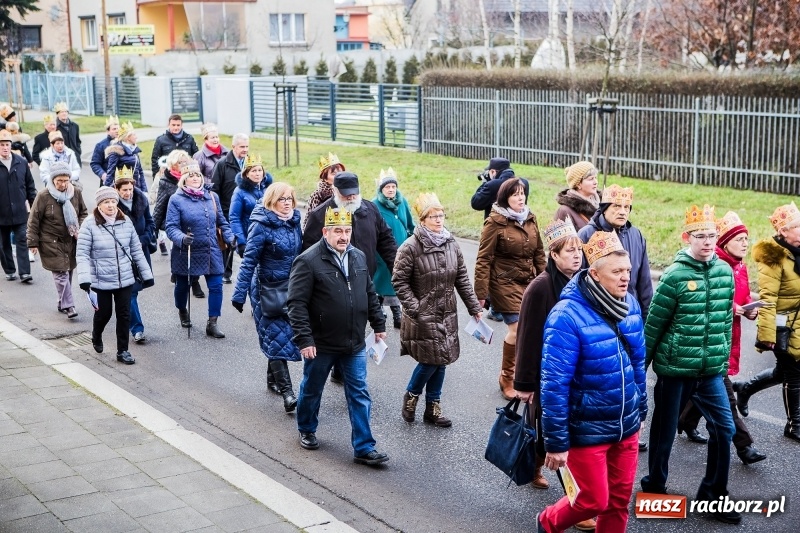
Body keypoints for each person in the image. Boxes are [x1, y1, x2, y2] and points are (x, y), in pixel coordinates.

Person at [536, 231, 647, 533]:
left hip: (625, 425)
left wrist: (641, 408)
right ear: (595, 275)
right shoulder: (566, 316)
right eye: (617, 272)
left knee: (619, 502)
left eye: (627, 271)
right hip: (587, 428)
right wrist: (556, 442)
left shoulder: (631, 305)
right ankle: (546, 523)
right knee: (592, 501)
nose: (625, 278)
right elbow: (554, 384)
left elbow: (637, 363)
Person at [641, 204, 739, 524]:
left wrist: (722, 360)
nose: (708, 242)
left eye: (713, 236)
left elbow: (725, 321)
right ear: (688, 237)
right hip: (675, 369)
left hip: (710, 371)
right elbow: (653, 325)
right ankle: (654, 488)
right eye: (701, 236)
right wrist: (638, 368)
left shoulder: (725, 272)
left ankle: (713, 494)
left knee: (724, 428)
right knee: (664, 431)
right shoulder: (674, 275)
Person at [287, 206, 389, 465]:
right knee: (312, 389)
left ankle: (364, 447)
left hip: (354, 341)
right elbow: (296, 304)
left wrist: (378, 324)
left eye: (347, 231)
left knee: (359, 393)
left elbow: (369, 292)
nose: (343, 236)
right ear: (325, 232)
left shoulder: (357, 257)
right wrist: (304, 339)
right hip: (321, 343)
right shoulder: (308, 260)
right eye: (338, 231)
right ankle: (307, 428)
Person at [516, 218, 598, 532]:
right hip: (545, 375)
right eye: (568, 251)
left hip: (577, 373)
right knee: (554, 436)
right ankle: (577, 504)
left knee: (553, 434)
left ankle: (538, 463)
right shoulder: (540, 287)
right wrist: (524, 383)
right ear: (554, 255)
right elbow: (527, 336)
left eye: (579, 250)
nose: (576, 256)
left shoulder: (586, 282)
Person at [677, 211, 766, 464]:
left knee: (707, 385)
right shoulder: (716, 266)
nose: (745, 243)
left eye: (747, 239)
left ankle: (685, 419)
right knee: (726, 397)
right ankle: (745, 446)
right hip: (713, 340)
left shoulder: (740, 266)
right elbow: (704, 302)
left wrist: (749, 306)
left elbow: (744, 295)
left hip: (730, 336)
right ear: (725, 242)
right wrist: (731, 308)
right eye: (739, 239)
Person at [393, 193, 483, 427]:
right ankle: (411, 396)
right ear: (422, 220)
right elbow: (399, 282)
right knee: (431, 361)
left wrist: (474, 306)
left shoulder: (451, 243)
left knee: (441, 359)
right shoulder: (410, 247)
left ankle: (433, 407)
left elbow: (462, 278)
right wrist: (416, 308)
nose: (438, 219)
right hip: (423, 314)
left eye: (441, 215)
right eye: (433, 216)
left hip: (446, 312)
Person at [302, 172, 398, 384]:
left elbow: (386, 241)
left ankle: (344, 366)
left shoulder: (369, 209)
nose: (350, 198)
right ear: (335, 192)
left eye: (354, 194)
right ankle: (336, 365)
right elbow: (307, 252)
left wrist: (398, 270)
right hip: (330, 286)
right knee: (335, 325)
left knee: (357, 323)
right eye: (346, 195)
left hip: (363, 280)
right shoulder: (320, 215)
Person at [578, 183, 653, 452]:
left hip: (629, 316)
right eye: (616, 206)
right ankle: (602, 434)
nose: (622, 212)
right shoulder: (587, 233)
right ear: (604, 208)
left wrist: (645, 318)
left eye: (626, 207)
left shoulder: (636, 235)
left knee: (632, 375)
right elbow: (582, 277)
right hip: (597, 318)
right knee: (604, 378)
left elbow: (644, 281)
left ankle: (630, 428)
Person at [232, 183, 302, 412]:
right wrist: (239, 294)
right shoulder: (260, 225)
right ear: (271, 201)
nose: (287, 202)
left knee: (281, 338)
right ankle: (288, 394)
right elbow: (249, 261)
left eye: (290, 198)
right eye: (282, 199)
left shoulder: (294, 222)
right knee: (276, 335)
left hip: (291, 288)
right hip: (267, 290)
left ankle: (273, 379)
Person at [474, 177, 546, 400]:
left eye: (522, 193)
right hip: (503, 283)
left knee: (534, 330)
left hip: (529, 283)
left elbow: (539, 254)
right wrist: (480, 294)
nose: (520, 198)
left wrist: (548, 281)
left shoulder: (531, 219)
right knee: (517, 330)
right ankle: (507, 377)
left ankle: (526, 377)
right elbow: (483, 259)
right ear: (505, 198)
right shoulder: (495, 222)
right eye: (515, 194)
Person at [740, 202, 800, 444]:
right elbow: (767, 300)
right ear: (783, 231)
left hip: (799, 321)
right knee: (794, 374)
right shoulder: (772, 257)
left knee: (782, 372)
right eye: (797, 226)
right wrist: (768, 335)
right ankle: (794, 424)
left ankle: (745, 389)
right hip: (782, 324)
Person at [76, 187, 154, 365]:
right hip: (100, 279)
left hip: (125, 278)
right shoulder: (89, 224)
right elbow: (82, 254)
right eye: (106, 202)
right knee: (104, 314)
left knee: (124, 315)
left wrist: (146, 274)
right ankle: (96, 335)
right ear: (99, 205)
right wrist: (84, 279)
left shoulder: (125, 221)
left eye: (113, 201)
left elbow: (136, 250)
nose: (110, 205)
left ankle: (122, 351)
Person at [165, 160, 235, 338]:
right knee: (182, 286)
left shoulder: (212, 196)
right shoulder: (176, 199)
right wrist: (182, 238)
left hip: (211, 249)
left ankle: (212, 323)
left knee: (216, 286)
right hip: (187, 251)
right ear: (184, 179)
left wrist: (229, 236)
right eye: (190, 176)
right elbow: (171, 227)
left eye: (197, 175)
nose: (195, 178)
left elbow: (222, 222)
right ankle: (182, 310)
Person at [27, 162, 89, 318]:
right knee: (60, 274)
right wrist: (33, 242)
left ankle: (62, 302)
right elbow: (34, 219)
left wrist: (80, 228)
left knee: (68, 271)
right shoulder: (43, 196)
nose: (62, 184)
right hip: (50, 241)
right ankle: (70, 306)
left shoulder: (76, 192)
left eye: (65, 180)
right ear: (53, 179)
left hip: (71, 240)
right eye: (59, 180)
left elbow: (83, 213)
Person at [115, 167, 156, 344]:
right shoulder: (111, 204)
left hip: (140, 251)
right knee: (130, 292)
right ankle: (137, 328)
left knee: (134, 291)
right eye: (124, 190)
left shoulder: (141, 200)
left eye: (130, 189)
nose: (128, 193)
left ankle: (126, 315)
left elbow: (150, 223)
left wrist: (143, 240)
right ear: (117, 189)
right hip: (122, 255)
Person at [372, 168, 414, 329]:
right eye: (387, 187)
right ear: (381, 189)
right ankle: (380, 309)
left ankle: (397, 313)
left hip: (402, 249)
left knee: (399, 279)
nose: (391, 190)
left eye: (393, 187)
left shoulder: (403, 202)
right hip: (381, 251)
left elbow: (410, 223)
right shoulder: (374, 204)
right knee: (382, 280)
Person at [211, 133, 249, 283]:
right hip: (227, 209)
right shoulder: (222, 164)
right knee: (228, 243)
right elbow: (214, 189)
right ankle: (225, 272)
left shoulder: (251, 163)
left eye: (247, 146)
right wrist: (218, 210)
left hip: (246, 210)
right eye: (242, 147)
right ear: (233, 147)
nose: (245, 150)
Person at [0, 129, 36, 283]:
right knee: (3, 244)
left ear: (11, 145)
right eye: (1, 145)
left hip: (20, 211)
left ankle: (24, 273)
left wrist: (34, 205)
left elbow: (30, 185)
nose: (5, 147)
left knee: (22, 240)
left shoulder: (21, 162)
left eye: (7, 144)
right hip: (1, 214)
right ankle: (9, 270)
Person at [229, 153, 273, 258]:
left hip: (269, 238)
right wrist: (241, 242)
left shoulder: (269, 189)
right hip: (250, 237)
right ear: (246, 174)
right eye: (253, 171)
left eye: (259, 170)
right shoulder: (239, 192)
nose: (257, 174)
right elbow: (234, 218)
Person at [555, 161, 600, 231]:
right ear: (578, 184)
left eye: (595, 178)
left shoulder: (604, 204)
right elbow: (563, 241)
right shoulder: (565, 211)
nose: (596, 182)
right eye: (591, 179)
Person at [104, 122, 147, 191]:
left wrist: (144, 191)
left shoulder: (134, 150)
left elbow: (140, 172)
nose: (136, 137)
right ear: (128, 137)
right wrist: (107, 192)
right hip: (122, 190)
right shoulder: (116, 151)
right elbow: (110, 174)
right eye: (134, 135)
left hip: (136, 189)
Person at [305, 152, 345, 227]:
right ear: (325, 178)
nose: (339, 176)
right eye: (334, 174)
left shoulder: (348, 192)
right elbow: (311, 221)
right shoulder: (317, 195)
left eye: (340, 172)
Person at [193, 123, 228, 187]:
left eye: (217, 137)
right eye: (212, 138)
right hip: (210, 190)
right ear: (205, 140)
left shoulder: (227, 153)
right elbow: (197, 175)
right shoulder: (199, 156)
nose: (215, 140)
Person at [90, 115, 120, 185]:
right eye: (114, 129)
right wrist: (103, 175)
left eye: (118, 128)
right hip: (108, 181)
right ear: (108, 131)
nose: (117, 131)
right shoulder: (101, 145)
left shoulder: (123, 143)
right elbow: (95, 164)